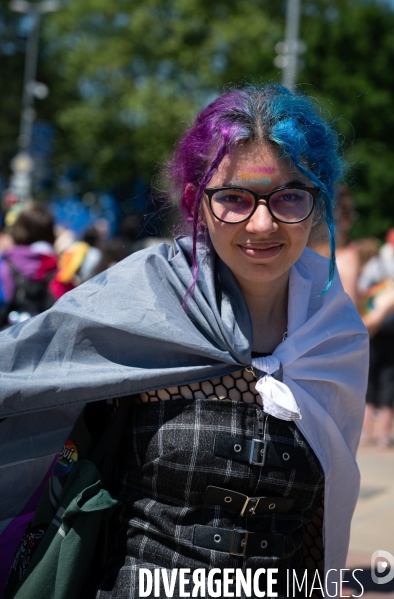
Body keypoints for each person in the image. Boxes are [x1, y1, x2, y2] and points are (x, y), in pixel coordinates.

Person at [0, 84, 368, 598]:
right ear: (197, 202)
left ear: (316, 202)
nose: (262, 223)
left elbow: (319, 520)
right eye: (235, 198)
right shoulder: (141, 298)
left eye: (288, 196)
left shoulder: (334, 333)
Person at [0, 202, 74, 327]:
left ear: (18, 231)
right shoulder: (61, 271)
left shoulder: (5, 266)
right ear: (50, 231)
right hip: (46, 344)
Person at [359, 227, 394, 446]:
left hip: (373, 328)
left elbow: (363, 288)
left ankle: (366, 431)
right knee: (389, 381)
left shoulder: (377, 264)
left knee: (370, 379)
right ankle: (384, 433)